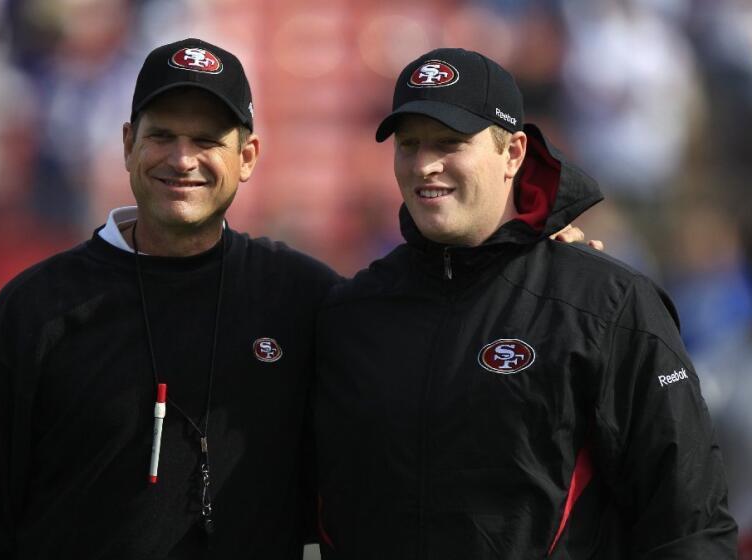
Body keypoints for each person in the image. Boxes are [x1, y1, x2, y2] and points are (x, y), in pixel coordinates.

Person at [314, 48, 738, 559]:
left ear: (513, 153)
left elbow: (688, 524)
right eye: (409, 145)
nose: (425, 165)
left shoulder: (606, 305)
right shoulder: (351, 313)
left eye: (450, 143)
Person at [0, 38, 341, 559]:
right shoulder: (35, 306)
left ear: (247, 157)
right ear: (128, 145)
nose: (182, 158)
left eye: (207, 139)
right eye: (162, 135)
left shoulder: (302, 297)